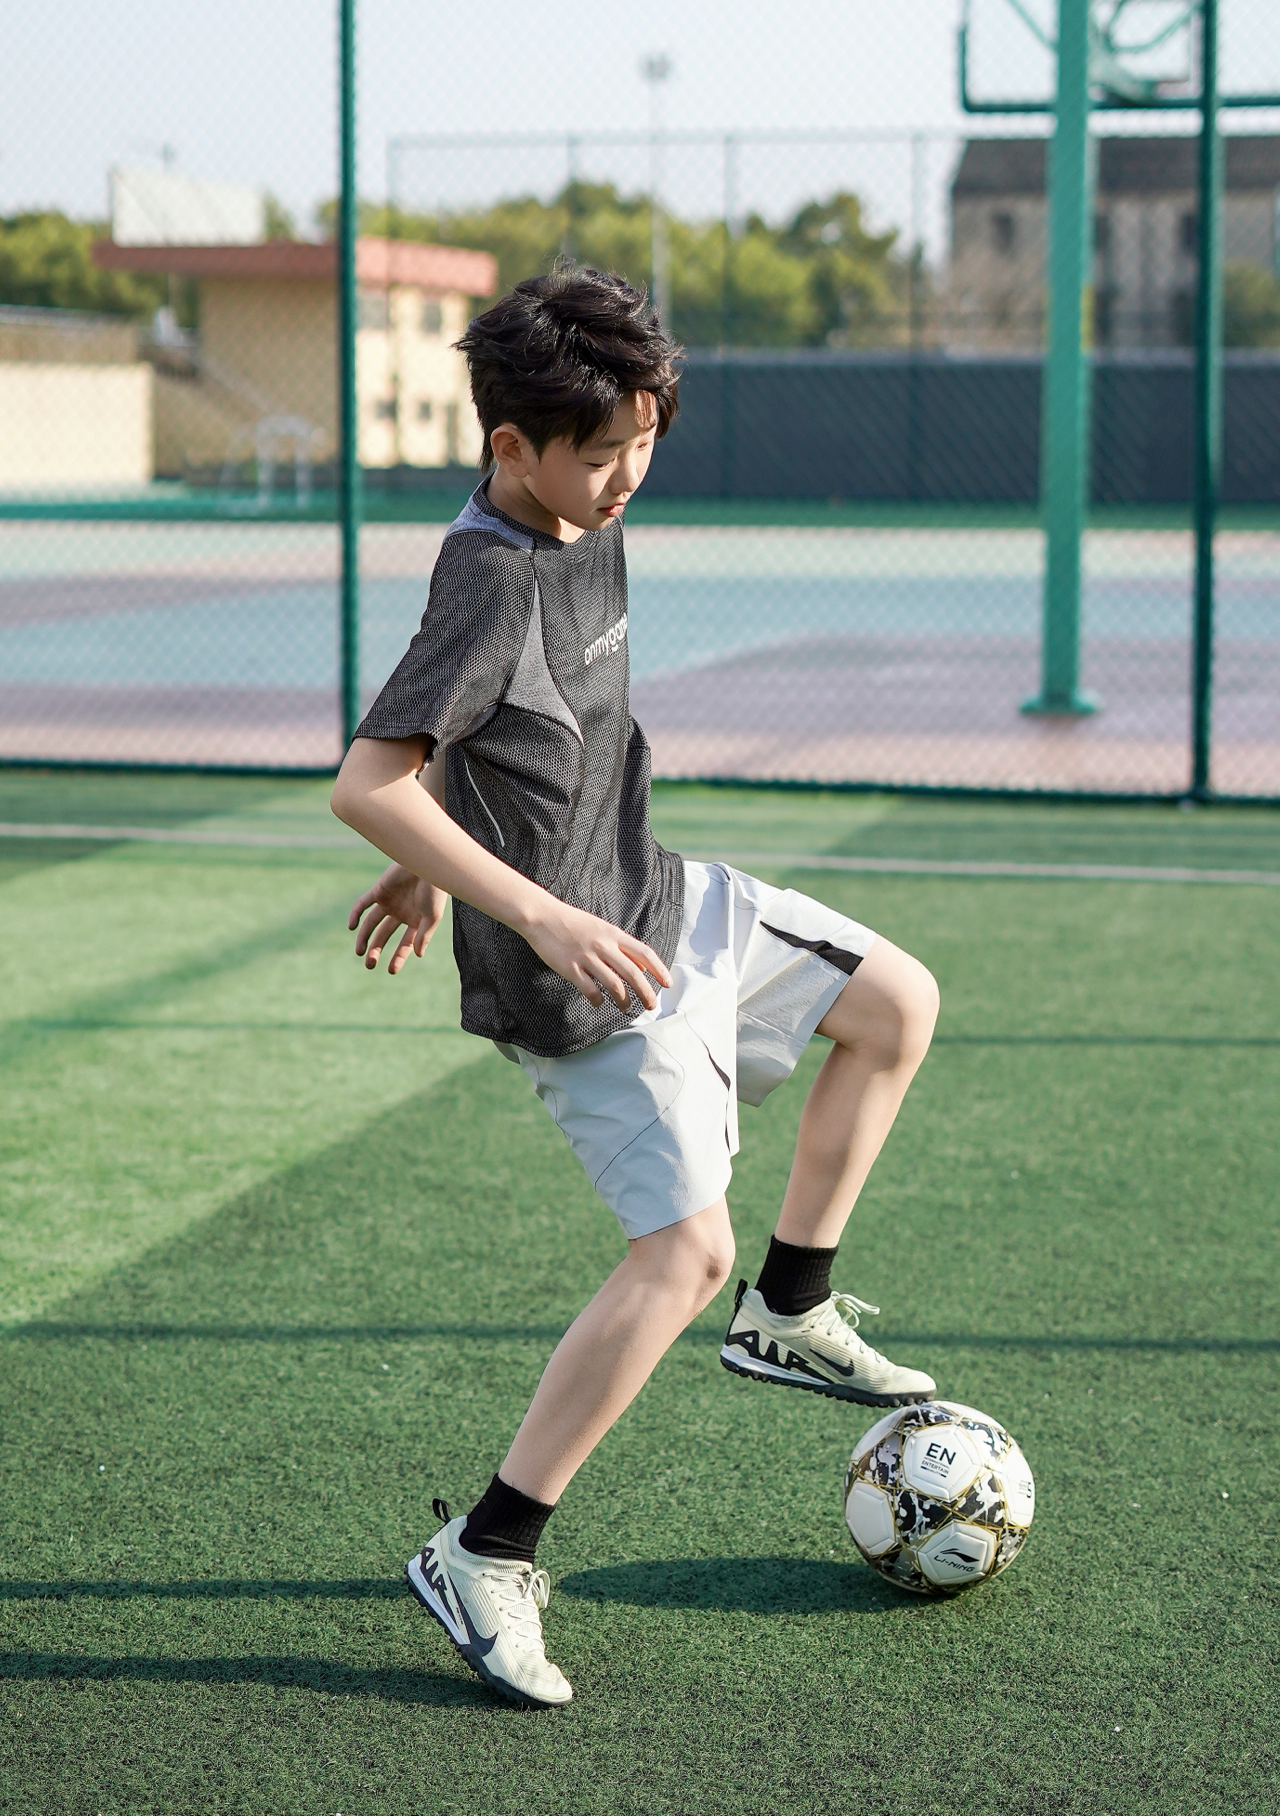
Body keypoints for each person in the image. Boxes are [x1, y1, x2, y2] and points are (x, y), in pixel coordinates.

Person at [330, 264, 940, 1709]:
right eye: (602, 455)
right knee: (680, 1256)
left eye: (645, 446)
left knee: (895, 1005)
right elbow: (368, 779)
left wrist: (432, 863)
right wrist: (522, 905)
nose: (627, 479)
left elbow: (477, 739)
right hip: (581, 978)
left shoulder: (578, 517)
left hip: (659, 899)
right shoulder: (490, 575)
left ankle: (792, 1312)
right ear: (511, 448)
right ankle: (486, 1551)